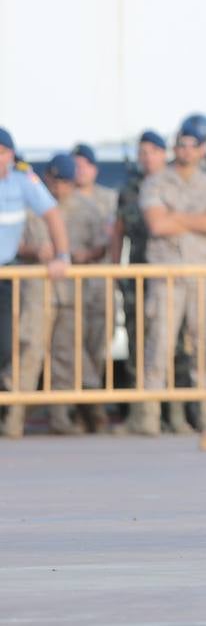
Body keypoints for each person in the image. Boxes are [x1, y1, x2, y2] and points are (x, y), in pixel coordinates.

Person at [133, 114, 206, 436]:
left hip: (204, 274)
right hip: (167, 275)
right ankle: (149, 416)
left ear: (203, 149)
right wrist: (197, 219)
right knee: (159, 345)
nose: (186, 150)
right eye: (181, 144)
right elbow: (157, 225)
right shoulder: (156, 181)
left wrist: (177, 216)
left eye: (193, 145)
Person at [0, 127, 73, 438]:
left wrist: (63, 255)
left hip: (5, 275)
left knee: (5, 346)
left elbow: (52, 214)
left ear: (9, 155)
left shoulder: (22, 181)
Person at [42, 154, 116, 434]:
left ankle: (89, 412)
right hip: (47, 293)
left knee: (81, 353)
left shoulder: (88, 208)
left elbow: (101, 246)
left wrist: (79, 255)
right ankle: (62, 415)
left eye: (65, 181)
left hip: (81, 293)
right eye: (55, 180)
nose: (59, 187)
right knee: (52, 352)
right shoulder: (39, 206)